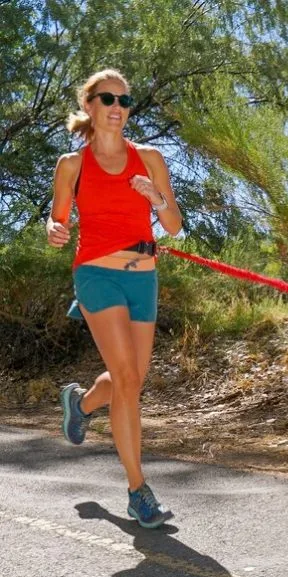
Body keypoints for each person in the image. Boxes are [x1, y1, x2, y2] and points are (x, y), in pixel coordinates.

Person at [45, 68, 182, 528]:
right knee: (126, 376)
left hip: (143, 277)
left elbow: (174, 225)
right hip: (97, 275)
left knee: (133, 380)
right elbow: (57, 221)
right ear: (90, 106)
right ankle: (137, 490)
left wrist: (155, 197)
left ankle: (81, 405)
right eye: (108, 99)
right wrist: (54, 230)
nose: (118, 108)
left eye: (124, 101)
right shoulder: (72, 165)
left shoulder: (150, 158)